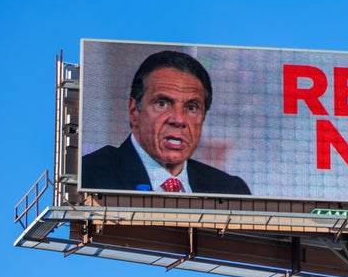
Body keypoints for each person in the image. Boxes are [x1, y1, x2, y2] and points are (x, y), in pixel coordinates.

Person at [82, 50, 251, 195]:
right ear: (134, 111)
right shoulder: (90, 176)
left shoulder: (230, 190)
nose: (178, 120)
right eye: (162, 104)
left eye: (192, 108)